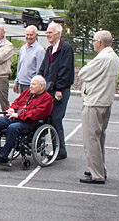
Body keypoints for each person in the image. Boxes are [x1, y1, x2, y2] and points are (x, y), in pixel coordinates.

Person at [0, 75, 53, 165]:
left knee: (13, 127)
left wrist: (18, 115)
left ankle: (3, 155)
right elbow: (16, 102)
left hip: (30, 122)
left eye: (34, 84)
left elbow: (36, 113)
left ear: (42, 86)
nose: (31, 86)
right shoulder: (27, 92)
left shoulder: (47, 98)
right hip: (15, 117)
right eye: (31, 84)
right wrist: (11, 108)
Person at [78, 30, 119, 184]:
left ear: (100, 42)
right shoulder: (113, 56)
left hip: (94, 102)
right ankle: (99, 168)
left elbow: (83, 73)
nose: (93, 43)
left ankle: (96, 173)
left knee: (91, 139)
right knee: (99, 137)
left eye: (94, 40)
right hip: (105, 101)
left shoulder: (102, 58)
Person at [38, 22, 74, 160]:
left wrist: (59, 88)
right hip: (48, 89)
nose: (47, 35)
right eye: (47, 32)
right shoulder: (49, 49)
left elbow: (65, 70)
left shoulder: (65, 49)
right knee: (45, 118)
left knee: (56, 119)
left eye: (50, 32)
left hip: (60, 90)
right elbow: (44, 68)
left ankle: (60, 150)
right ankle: (43, 146)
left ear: (58, 34)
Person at [13, 26, 44, 94]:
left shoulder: (39, 50)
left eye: (31, 35)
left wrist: (36, 85)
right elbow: (19, 66)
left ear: (36, 36)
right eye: (27, 34)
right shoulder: (23, 48)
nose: (29, 37)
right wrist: (16, 82)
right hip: (21, 83)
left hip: (31, 85)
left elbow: (39, 70)